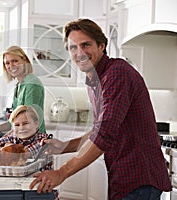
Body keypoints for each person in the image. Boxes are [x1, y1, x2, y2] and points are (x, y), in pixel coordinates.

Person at [29, 18, 172, 200]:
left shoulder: (117, 73)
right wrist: (65, 147)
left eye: (86, 44)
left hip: (139, 178)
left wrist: (61, 173)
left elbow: (105, 134)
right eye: (73, 47)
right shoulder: (95, 80)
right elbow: (100, 129)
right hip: (123, 177)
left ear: (101, 46)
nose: (80, 52)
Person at [0, 46, 46, 134]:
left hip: (34, 140)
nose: (11, 66)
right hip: (22, 137)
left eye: (15, 61)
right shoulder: (19, 85)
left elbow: (28, 122)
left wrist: (4, 139)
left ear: (24, 60)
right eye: (7, 63)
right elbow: (12, 123)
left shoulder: (32, 84)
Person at [0, 105, 53, 170]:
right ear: (12, 128)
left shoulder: (44, 140)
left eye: (26, 123)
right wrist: (6, 148)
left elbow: (25, 153)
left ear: (36, 124)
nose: (21, 128)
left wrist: (6, 148)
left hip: (41, 179)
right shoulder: (13, 138)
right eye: (17, 125)